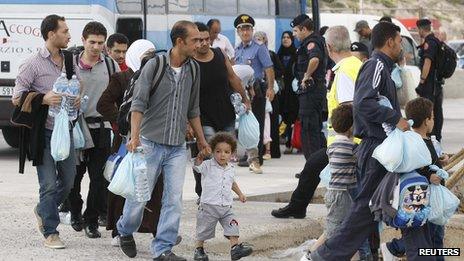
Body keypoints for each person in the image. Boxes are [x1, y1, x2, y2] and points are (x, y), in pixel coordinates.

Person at [304, 21, 412, 261]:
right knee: (365, 209)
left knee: (376, 207)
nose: (402, 46)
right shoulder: (375, 65)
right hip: (375, 148)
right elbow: (363, 103)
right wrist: (396, 119)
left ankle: (374, 254)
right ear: (390, 41)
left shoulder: (385, 68)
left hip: (383, 148)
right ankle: (323, 256)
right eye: (400, 41)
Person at [116, 21, 210, 261]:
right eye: (194, 40)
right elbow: (138, 104)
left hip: (177, 147)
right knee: (139, 196)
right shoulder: (155, 66)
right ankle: (125, 229)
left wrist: (202, 141)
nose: (199, 44)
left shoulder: (194, 69)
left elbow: (194, 109)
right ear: (180, 42)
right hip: (149, 142)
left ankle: (163, 248)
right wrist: (134, 137)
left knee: (173, 199)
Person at [271, 25, 361, 220]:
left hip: (346, 142)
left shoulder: (344, 71)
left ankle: (298, 208)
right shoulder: (355, 64)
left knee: (317, 169)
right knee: (312, 166)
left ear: (328, 46)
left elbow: (349, 109)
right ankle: (297, 206)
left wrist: (345, 142)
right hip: (348, 141)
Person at [12, 14, 79, 249]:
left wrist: (77, 98)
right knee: (49, 184)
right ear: (51, 34)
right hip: (43, 133)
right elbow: (17, 97)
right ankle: (51, 231)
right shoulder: (32, 63)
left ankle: (42, 209)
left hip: (67, 130)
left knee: (69, 181)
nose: (69, 35)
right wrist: (43, 98)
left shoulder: (70, 60)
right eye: (65, 31)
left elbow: (76, 83)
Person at [96, 40, 166, 246]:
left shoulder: (159, 77)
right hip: (128, 140)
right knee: (125, 185)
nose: (152, 58)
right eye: (147, 54)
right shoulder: (122, 77)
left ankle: (156, 230)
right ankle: (119, 232)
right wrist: (123, 121)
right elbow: (103, 104)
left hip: (153, 139)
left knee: (153, 188)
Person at [68, 21, 120, 238]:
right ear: (83, 40)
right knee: (72, 177)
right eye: (92, 42)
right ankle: (74, 211)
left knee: (99, 179)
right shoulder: (69, 65)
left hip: (101, 128)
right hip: (76, 128)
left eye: (100, 43)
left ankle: (91, 221)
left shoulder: (110, 66)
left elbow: (120, 94)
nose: (96, 47)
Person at [381, 97, 449, 261]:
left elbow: (427, 163)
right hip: (416, 206)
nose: (434, 120)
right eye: (432, 117)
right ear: (427, 121)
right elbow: (411, 168)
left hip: (433, 205)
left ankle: (394, 248)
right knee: (419, 249)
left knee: (436, 242)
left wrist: (440, 161)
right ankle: (392, 248)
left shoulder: (427, 140)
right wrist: (429, 176)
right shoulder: (412, 142)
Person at [191, 22, 251, 197]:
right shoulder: (191, 61)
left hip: (226, 114)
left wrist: (246, 100)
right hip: (203, 117)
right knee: (209, 154)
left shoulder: (219, 54)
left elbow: (233, 78)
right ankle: (204, 192)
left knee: (225, 155)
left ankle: (222, 190)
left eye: (206, 39)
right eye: (199, 40)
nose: (203, 43)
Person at [192, 132, 253, 261]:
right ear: (213, 151)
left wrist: (240, 194)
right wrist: (200, 156)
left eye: (226, 152)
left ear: (232, 153)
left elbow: (232, 183)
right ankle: (199, 250)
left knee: (233, 225)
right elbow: (197, 166)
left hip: (226, 206)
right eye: (218, 151)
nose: (222, 155)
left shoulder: (231, 168)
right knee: (203, 230)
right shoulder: (208, 165)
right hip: (209, 206)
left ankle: (235, 248)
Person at [311, 104, 357, 252]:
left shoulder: (333, 144)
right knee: (332, 231)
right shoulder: (351, 147)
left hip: (335, 192)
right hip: (341, 194)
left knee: (346, 232)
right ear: (351, 127)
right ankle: (310, 255)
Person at [234, 14, 275, 174]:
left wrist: (270, 88)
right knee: (243, 124)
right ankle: (247, 154)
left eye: (248, 29)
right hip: (242, 92)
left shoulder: (259, 48)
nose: (245, 32)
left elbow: (269, 69)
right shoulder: (237, 50)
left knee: (256, 123)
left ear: (252, 30)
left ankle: (256, 158)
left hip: (257, 90)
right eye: (242, 29)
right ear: (238, 32)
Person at [291, 14, 327, 161]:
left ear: (304, 29)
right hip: (315, 91)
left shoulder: (311, 42)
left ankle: (312, 167)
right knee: (315, 130)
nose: (294, 35)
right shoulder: (317, 40)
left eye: (296, 31)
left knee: (309, 129)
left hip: (311, 91)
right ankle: (318, 165)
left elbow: (315, 59)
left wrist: (306, 75)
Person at [254, 31, 283, 159]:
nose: (259, 41)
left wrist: (268, 75)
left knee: (271, 121)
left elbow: (279, 70)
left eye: (262, 39)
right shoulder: (253, 53)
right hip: (259, 90)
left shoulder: (271, 54)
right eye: (257, 39)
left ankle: (272, 150)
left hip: (270, 92)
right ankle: (261, 150)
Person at [415, 18, 444, 142]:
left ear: (421, 29)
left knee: (429, 112)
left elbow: (427, 62)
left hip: (430, 85)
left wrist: (422, 81)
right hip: (437, 84)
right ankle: (436, 138)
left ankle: (431, 138)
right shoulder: (436, 41)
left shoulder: (429, 43)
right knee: (437, 111)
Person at [277, 31, 298, 154]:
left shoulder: (296, 54)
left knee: (291, 117)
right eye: (283, 37)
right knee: (283, 116)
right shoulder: (278, 54)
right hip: (282, 91)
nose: (285, 39)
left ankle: (289, 143)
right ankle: (282, 137)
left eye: (288, 37)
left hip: (292, 92)